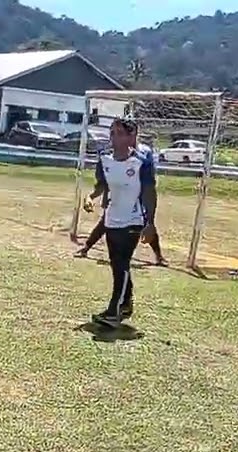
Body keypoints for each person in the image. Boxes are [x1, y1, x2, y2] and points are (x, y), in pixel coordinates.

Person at [81, 117, 157, 326]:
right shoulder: (104, 158)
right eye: (112, 133)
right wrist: (90, 197)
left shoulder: (141, 162)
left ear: (131, 137)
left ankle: (113, 311)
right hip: (112, 218)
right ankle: (126, 304)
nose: (114, 138)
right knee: (117, 263)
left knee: (121, 262)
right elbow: (101, 185)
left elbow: (150, 192)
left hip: (133, 219)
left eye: (120, 134)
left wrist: (150, 222)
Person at [75, 139, 167, 266]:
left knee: (146, 222)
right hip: (118, 197)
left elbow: (148, 181)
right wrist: (92, 197)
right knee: (106, 221)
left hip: (137, 197)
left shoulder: (144, 154)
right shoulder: (110, 154)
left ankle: (159, 256)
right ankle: (86, 247)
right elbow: (104, 182)